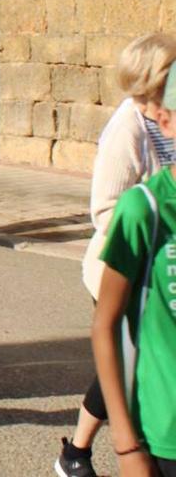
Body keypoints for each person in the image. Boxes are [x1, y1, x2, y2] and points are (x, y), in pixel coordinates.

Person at [56, 32, 176, 477]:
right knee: (128, 363)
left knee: (135, 366)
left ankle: (78, 450)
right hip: (128, 267)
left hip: (162, 266)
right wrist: (153, 231)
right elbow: (106, 208)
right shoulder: (128, 126)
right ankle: (87, 451)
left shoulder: (164, 115)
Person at [91, 64, 176, 477]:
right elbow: (105, 326)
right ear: (166, 120)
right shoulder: (145, 209)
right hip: (165, 433)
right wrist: (126, 445)